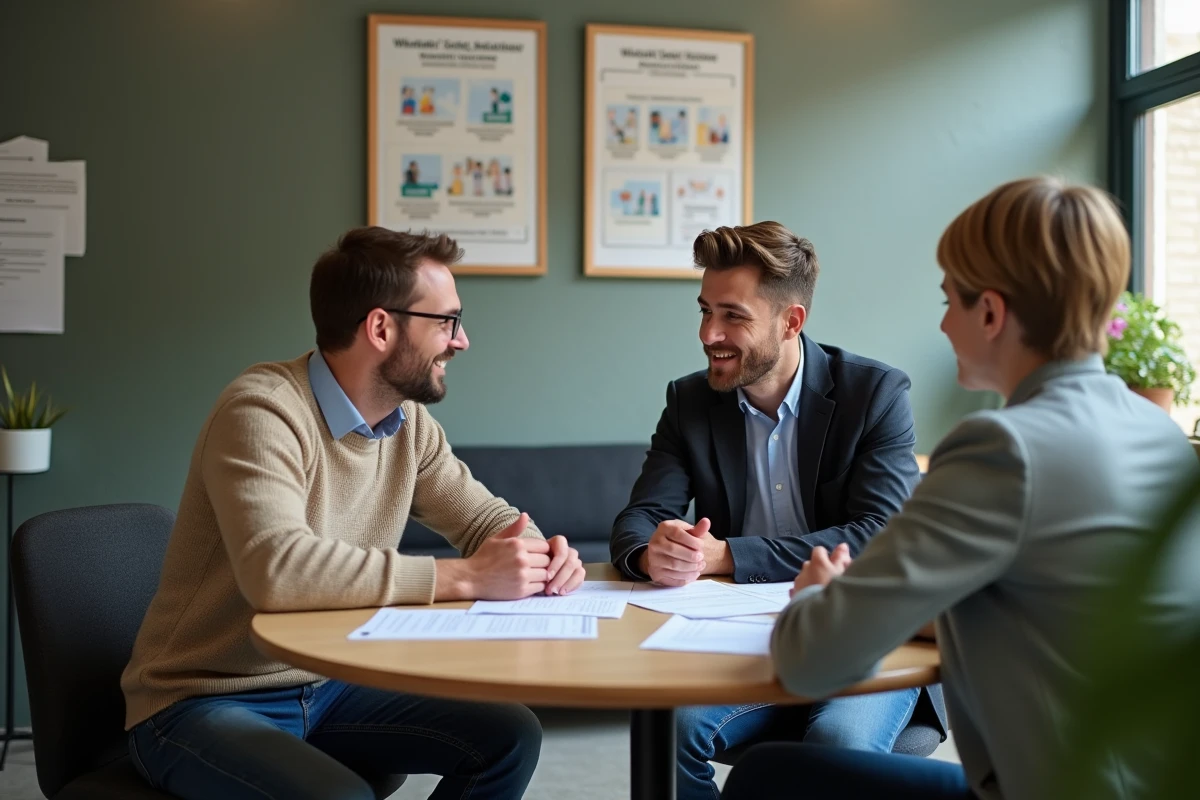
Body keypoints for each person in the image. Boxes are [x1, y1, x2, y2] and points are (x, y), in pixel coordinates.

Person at [721, 177, 1200, 800]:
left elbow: (812, 660)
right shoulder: (1161, 435)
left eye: (950, 301)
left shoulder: (1001, 451)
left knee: (770, 776)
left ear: (993, 313)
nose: (945, 325)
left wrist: (815, 599)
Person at [121, 227, 587, 800]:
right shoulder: (263, 410)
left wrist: (541, 554)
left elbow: (489, 520)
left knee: (509, 735)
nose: (461, 341)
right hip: (201, 699)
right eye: (446, 322)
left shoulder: (408, 425)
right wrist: (464, 575)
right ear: (381, 327)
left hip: (327, 684)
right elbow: (277, 571)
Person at [611, 221, 945, 799]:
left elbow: (878, 534)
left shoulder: (875, 394)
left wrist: (727, 556)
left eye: (733, 316)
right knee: (672, 729)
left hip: (863, 630)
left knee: (837, 743)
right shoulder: (689, 400)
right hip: (747, 639)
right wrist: (651, 553)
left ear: (791, 321)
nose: (709, 332)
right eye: (704, 310)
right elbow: (639, 517)